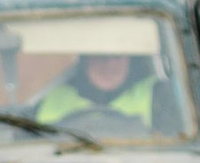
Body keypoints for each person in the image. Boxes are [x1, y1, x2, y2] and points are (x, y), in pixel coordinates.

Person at [33, 52, 164, 131]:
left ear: (131, 60)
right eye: (100, 55)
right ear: (85, 59)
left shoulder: (159, 96)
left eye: (117, 56)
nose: (109, 64)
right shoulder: (50, 97)